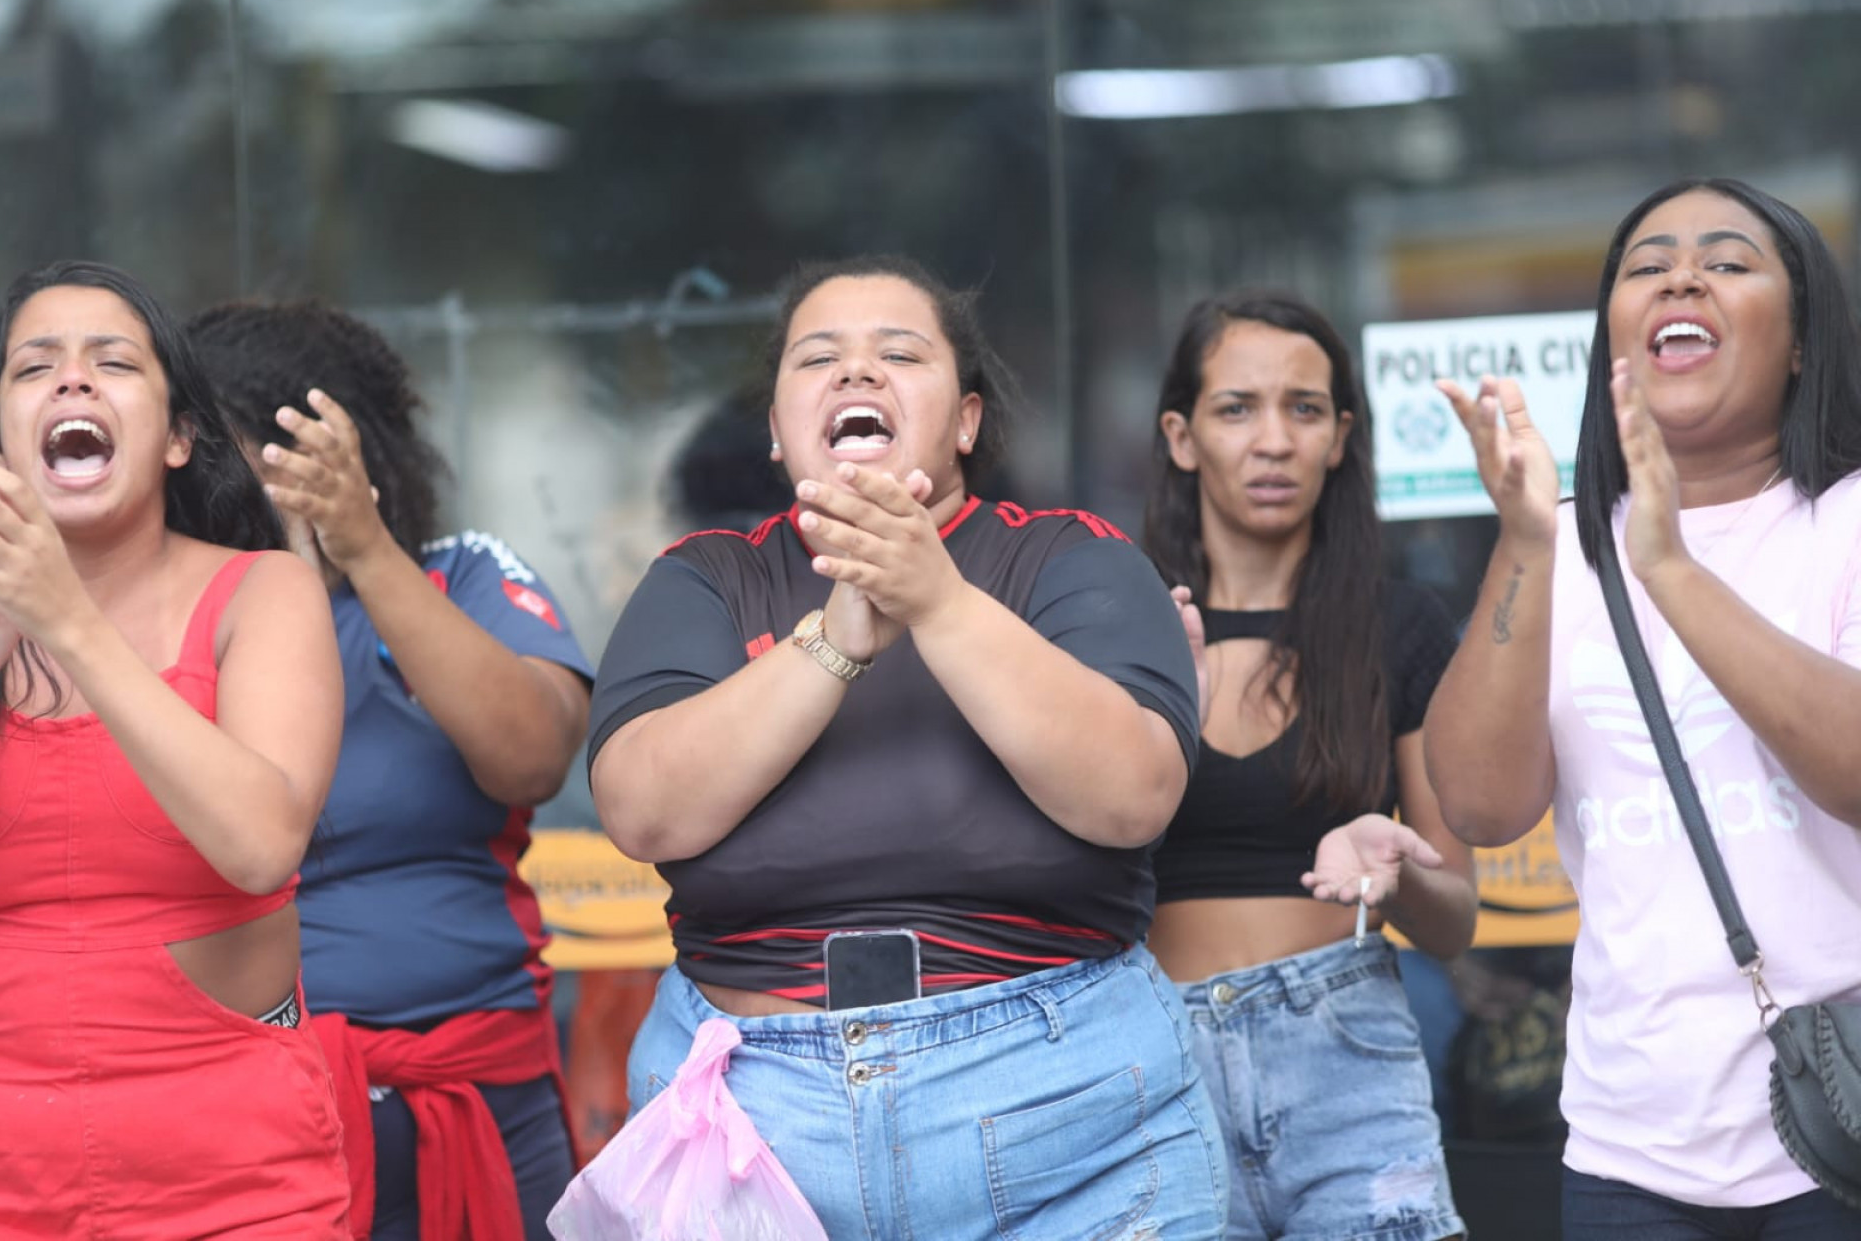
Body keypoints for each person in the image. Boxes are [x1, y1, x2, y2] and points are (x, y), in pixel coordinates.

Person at [584, 254, 1227, 1239]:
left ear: (966, 421)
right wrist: (835, 639)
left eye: (898, 352)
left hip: (1066, 1119)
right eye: (818, 359)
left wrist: (933, 598)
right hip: (757, 1126)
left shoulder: (1067, 557)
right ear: (774, 428)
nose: (854, 374)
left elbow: (1133, 792)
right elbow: (643, 808)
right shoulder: (706, 580)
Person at [1425, 177, 1861, 1235]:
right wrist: (1529, 541)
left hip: (1838, 1121)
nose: (1683, 274)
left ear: (1802, 344)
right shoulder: (1559, 544)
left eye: (1729, 259)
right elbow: (1481, 806)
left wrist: (1670, 567)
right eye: (1648, 262)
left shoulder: (1845, 522)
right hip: (1628, 1147)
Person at [0, 261, 350, 1235]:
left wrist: (70, 622)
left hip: (236, 1176)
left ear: (176, 438)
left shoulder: (264, 591)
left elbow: (261, 845)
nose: (73, 380)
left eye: (112, 361)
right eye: (36, 366)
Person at [189, 299, 595, 1241]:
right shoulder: (172, 616)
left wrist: (362, 549)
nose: (250, 485)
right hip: (254, 1102)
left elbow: (534, 754)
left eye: (271, 452)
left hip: (482, 1089)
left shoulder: (462, 577)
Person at [1142, 290, 1475, 1241]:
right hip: (1149, 1064)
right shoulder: (1120, 627)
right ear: (1181, 434)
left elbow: (1454, 921)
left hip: (1346, 1058)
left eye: (1305, 408)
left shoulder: (1398, 626)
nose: (1274, 439)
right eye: (1237, 407)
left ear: (1340, 437)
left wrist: (1399, 870)